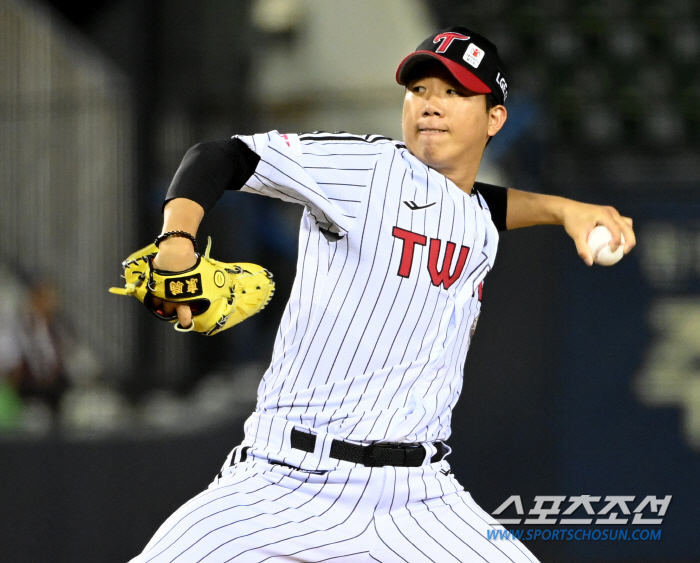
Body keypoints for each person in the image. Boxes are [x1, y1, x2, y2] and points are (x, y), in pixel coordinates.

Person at [130, 26, 635, 563]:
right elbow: (219, 156)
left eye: (454, 92)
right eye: (420, 90)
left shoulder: (477, 216)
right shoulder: (363, 169)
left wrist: (564, 209)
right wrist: (178, 238)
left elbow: (479, 203)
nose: (431, 105)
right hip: (288, 480)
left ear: (495, 119)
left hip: (421, 498)